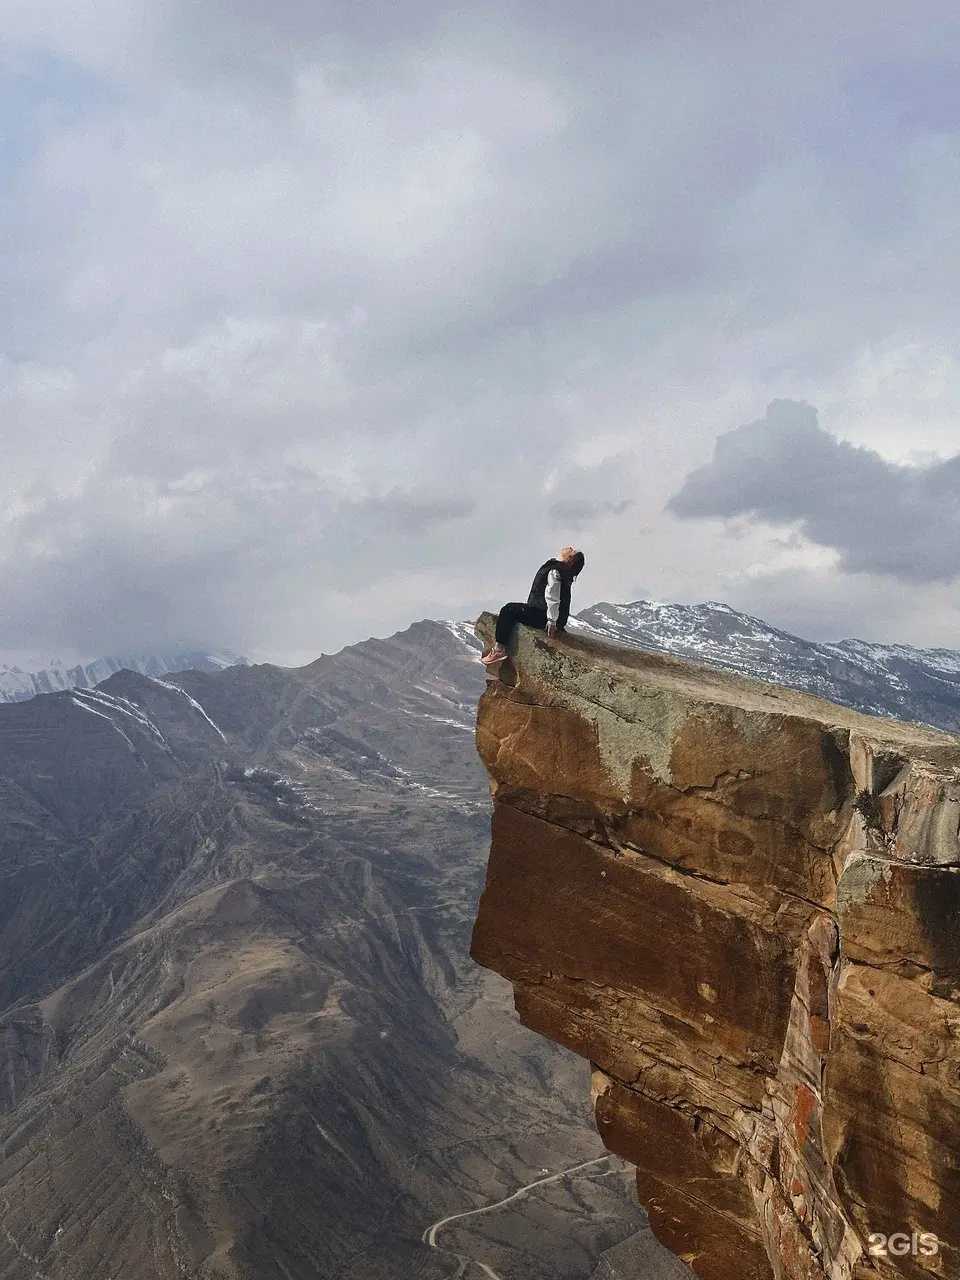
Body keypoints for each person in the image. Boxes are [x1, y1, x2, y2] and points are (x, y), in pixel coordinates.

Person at [480, 546, 586, 665]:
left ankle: (499, 650)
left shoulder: (555, 570)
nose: (570, 547)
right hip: (550, 615)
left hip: (544, 615)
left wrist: (551, 621)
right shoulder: (562, 572)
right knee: (515, 610)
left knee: (508, 610)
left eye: (572, 551)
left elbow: (553, 597)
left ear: (569, 559)